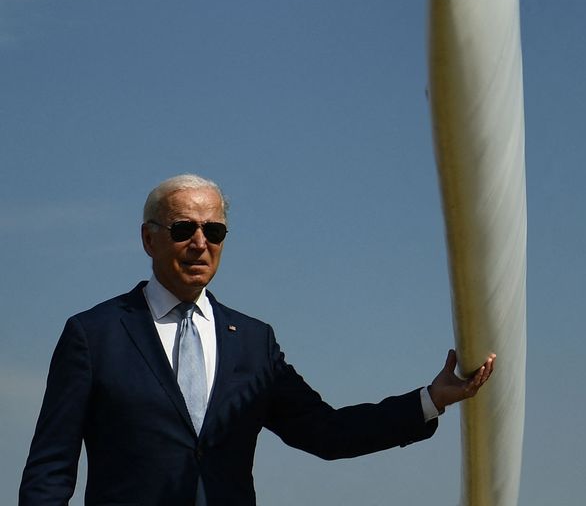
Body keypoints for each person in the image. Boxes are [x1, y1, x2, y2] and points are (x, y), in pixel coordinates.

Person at [19, 174, 496, 505]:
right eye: (184, 229)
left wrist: (431, 399)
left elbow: (326, 433)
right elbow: (50, 468)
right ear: (149, 239)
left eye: (215, 230)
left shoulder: (253, 342)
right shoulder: (94, 334)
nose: (200, 242)